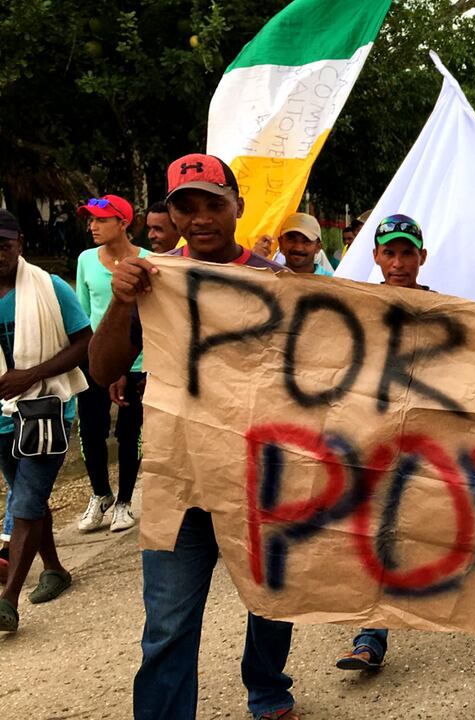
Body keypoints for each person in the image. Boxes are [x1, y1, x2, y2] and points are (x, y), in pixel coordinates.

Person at [87, 153, 299, 720]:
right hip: (181, 478)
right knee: (168, 624)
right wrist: (120, 300)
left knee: (274, 603)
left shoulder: (278, 286)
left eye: (213, 203)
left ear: (238, 206)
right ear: (172, 214)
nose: (201, 218)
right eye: (187, 207)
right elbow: (104, 370)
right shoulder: (154, 281)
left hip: (262, 480)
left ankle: (267, 688)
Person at [334, 213, 431, 674]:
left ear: (422, 258)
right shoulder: (356, 307)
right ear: (375, 256)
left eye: (406, 252)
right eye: (388, 252)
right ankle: (370, 636)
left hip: (432, 447)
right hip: (373, 443)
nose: (397, 262)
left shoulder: (445, 311)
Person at [0, 209, 92, 633]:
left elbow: (85, 343)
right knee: (28, 498)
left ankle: (7, 602)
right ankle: (54, 568)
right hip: (2, 418)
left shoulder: (49, 287)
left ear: (21, 244)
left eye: (5, 245)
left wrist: (32, 374)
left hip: (46, 409)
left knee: (25, 499)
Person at [74, 194, 149, 534]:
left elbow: (152, 318)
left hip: (137, 362)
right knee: (90, 430)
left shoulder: (148, 260)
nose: (92, 226)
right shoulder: (86, 260)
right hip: (96, 361)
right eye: (90, 220)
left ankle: (125, 501)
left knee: (129, 432)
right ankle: (100, 494)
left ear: (123, 223)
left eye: (101, 220)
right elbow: (83, 315)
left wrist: (127, 363)